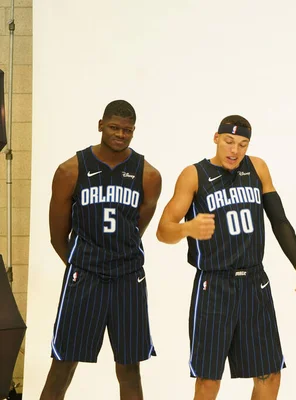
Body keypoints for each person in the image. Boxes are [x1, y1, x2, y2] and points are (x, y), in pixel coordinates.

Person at [155, 115, 296, 400]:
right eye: (229, 142)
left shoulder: (257, 168)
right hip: (214, 285)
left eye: (242, 144)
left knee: (269, 374)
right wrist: (187, 228)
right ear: (216, 138)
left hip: (254, 283)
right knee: (208, 381)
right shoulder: (193, 175)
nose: (235, 151)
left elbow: (280, 222)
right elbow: (163, 230)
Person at [41, 100, 162, 400]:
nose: (120, 134)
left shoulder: (148, 175)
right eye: (114, 127)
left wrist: (117, 257)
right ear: (100, 125)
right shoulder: (70, 170)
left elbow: (136, 228)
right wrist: (83, 265)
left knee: (129, 368)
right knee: (64, 363)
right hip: (86, 276)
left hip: (128, 278)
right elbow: (58, 236)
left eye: (127, 130)